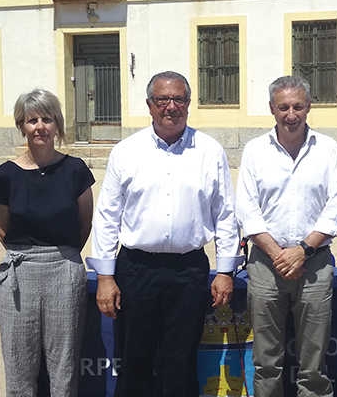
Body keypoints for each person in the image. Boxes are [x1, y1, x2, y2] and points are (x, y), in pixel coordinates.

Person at [87, 70, 240, 397]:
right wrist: (104, 277)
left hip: (188, 271)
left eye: (178, 99)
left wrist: (225, 270)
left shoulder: (209, 151)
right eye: (162, 100)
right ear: (149, 105)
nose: (171, 107)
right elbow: (107, 216)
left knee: (180, 362)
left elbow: (226, 214)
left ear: (188, 103)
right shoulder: (126, 151)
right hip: (137, 270)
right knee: (134, 360)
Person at [236, 75, 337, 396]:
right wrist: (278, 254)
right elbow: (247, 208)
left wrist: (303, 251)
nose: (291, 114)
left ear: (308, 107)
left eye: (298, 106)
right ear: (272, 109)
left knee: (313, 364)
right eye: (283, 107)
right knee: (266, 361)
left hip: (314, 265)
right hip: (265, 265)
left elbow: (336, 206)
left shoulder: (327, 149)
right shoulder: (255, 150)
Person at [0, 89, 95, 396]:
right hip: (20, 272)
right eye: (31, 120)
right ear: (22, 126)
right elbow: (1, 228)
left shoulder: (75, 170)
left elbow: (84, 223)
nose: (40, 126)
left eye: (47, 119)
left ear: (57, 124)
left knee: (64, 362)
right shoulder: (6, 174)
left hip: (64, 269)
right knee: (18, 360)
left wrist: (62, 253)